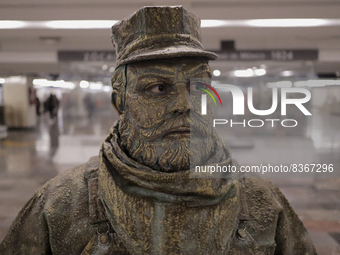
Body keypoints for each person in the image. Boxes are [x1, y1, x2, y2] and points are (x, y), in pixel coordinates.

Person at [0, 6, 316, 255]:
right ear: (119, 102)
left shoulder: (263, 203)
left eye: (198, 86)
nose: (185, 104)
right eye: (158, 87)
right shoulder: (59, 206)